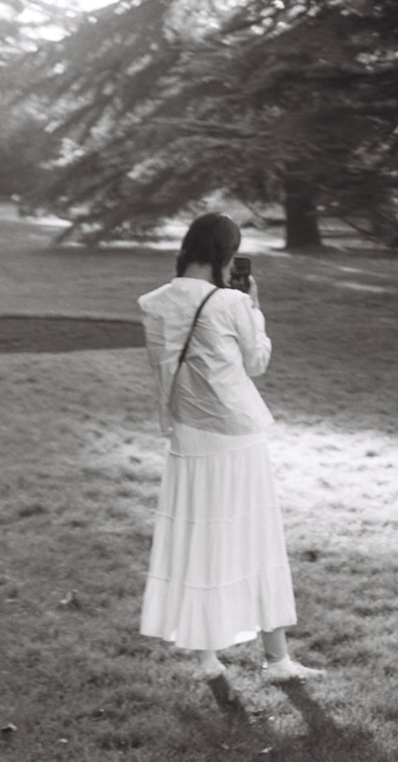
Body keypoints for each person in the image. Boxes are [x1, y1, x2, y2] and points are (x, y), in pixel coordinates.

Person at [137, 212, 323, 685]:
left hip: (187, 434)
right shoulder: (229, 303)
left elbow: (164, 372)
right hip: (236, 435)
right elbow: (256, 363)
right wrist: (254, 309)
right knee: (257, 538)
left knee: (200, 539)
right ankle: (277, 659)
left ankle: (207, 658)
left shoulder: (153, 303)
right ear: (225, 256)